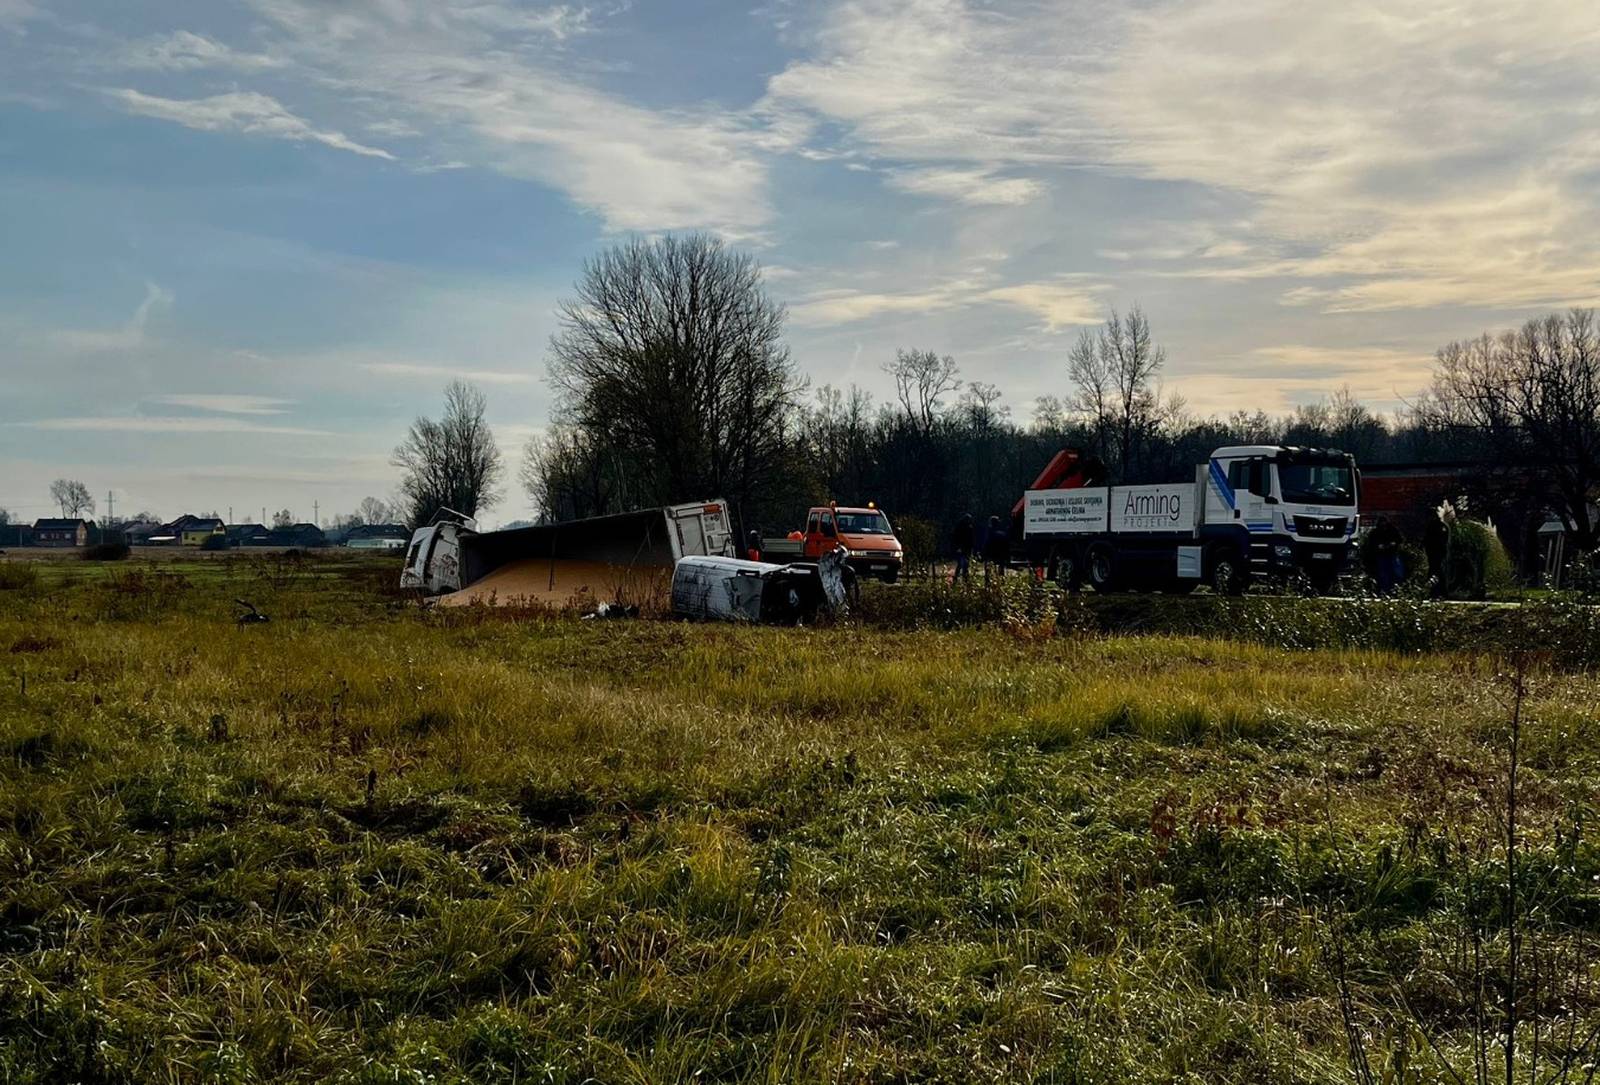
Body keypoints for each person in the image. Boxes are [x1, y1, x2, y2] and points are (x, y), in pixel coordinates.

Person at [1369, 516, 1404, 595]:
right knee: (1384, 573)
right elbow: (1372, 543)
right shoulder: (1376, 532)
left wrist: (1393, 544)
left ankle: (1394, 589)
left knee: (1395, 572)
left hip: (1392, 554)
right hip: (1382, 555)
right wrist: (1378, 546)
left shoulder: (1392, 530)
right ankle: (1385, 590)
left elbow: (1399, 539)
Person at [952, 513, 974, 581]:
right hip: (964, 548)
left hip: (963, 548)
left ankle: (959, 577)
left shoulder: (959, 527)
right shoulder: (967, 527)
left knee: (962, 564)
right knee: (963, 564)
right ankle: (964, 578)